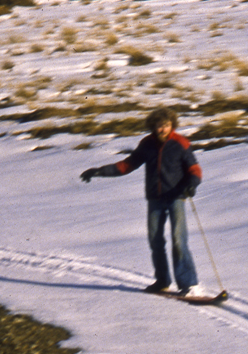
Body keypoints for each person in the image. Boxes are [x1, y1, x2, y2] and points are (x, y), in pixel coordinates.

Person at [81, 107, 203, 296]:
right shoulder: (147, 144)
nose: (163, 129)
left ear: (172, 126)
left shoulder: (181, 143)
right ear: (153, 126)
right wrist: (99, 171)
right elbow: (127, 165)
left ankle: (189, 284)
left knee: (179, 240)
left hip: (176, 198)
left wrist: (192, 184)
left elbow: (194, 169)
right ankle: (162, 281)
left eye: (166, 126)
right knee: (155, 241)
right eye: (159, 126)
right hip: (155, 199)